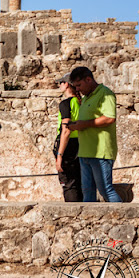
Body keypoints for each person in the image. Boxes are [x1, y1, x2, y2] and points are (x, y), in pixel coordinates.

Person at [67, 66, 121, 202]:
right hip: (85, 152)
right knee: (87, 191)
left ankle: (126, 219)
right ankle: (88, 222)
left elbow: (109, 118)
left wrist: (83, 125)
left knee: (105, 190)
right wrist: (76, 125)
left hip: (100, 153)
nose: (77, 89)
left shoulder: (105, 94)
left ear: (89, 79)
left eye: (79, 85)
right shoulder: (85, 98)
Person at [53, 73, 83, 202]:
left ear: (66, 84)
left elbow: (66, 130)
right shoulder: (80, 102)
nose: (59, 85)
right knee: (78, 181)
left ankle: (73, 215)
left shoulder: (66, 103)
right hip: (80, 144)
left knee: (68, 184)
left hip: (68, 146)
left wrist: (60, 155)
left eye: (60, 83)